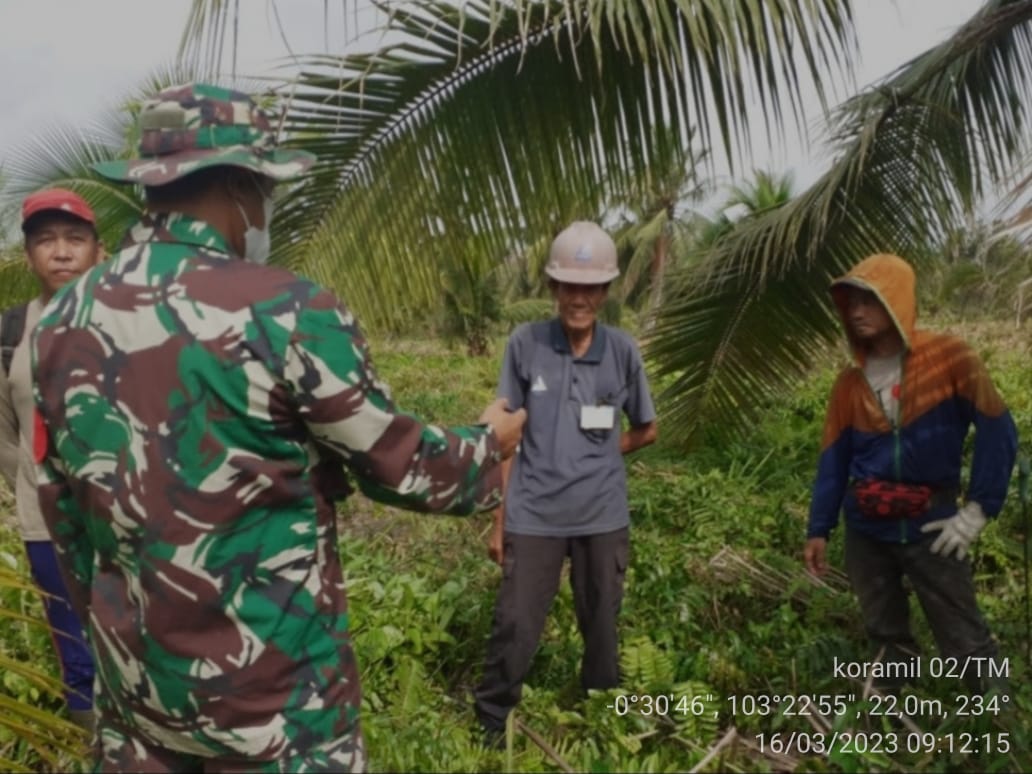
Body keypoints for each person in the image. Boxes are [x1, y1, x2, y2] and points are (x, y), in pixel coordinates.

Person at [30, 82, 525, 773]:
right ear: (238, 186)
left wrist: (118, 642)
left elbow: (64, 513)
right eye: (265, 190)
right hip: (276, 712)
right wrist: (489, 448)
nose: (265, 211)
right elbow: (398, 466)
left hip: (139, 702)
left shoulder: (57, 323)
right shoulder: (285, 308)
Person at [473, 221, 658, 741]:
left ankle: (601, 716)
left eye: (591, 287)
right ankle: (491, 721)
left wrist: (596, 452)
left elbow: (647, 429)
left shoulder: (623, 352)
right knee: (515, 624)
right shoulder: (525, 344)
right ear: (553, 288)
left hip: (602, 517)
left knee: (601, 625)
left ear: (605, 292)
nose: (579, 298)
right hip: (534, 515)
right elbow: (506, 437)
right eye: (568, 286)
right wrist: (499, 519)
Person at [804, 253, 1017, 693]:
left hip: (933, 522)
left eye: (869, 300)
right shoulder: (850, 383)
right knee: (885, 632)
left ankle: (998, 726)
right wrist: (819, 527)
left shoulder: (950, 358)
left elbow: (998, 427)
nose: (857, 311)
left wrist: (978, 510)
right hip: (866, 525)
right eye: (851, 303)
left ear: (896, 300)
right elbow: (834, 459)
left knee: (963, 636)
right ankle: (892, 722)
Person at [0, 188, 103, 733]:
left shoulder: (133, 320)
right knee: (75, 648)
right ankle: (96, 750)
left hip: (133, 519)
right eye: (46, 241)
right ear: (30, 255)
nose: (61, 252)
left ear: (97, 251)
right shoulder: (10, 334)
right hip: (48, 526)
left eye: (74, 239)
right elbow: (6, 437)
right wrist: (45, 489)